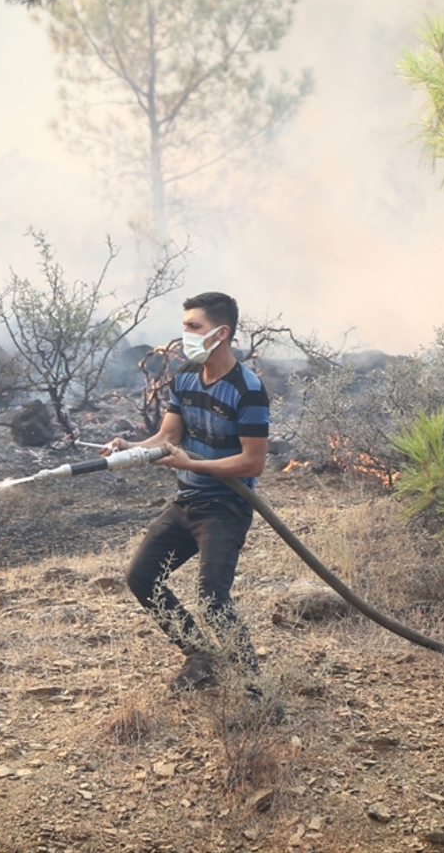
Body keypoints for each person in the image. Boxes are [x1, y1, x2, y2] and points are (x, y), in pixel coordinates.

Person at [108, 291, 269, 693]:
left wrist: (191, 464)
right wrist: (128, 449)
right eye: (184, 328)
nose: (185, 337)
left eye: (194, 327)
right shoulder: (184, 379)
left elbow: (252, 462)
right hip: (187, 501)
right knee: (142, 577)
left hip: (226, 507)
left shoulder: (248, 390)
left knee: (213, 600)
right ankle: (200, 656)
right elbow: (167, 436)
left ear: (221, 332)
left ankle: (257, 694)